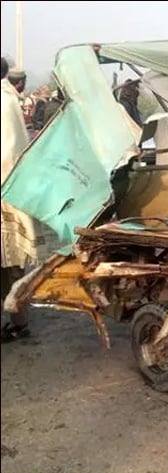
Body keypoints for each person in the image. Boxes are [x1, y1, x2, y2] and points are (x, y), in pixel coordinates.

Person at [1, 58, 31, 342]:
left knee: (9, 261)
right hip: (11, 189)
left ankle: (18, 321)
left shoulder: (7, 102)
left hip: (5, 189)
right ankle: (19, 320)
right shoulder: (9, 102)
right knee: (12, 261)